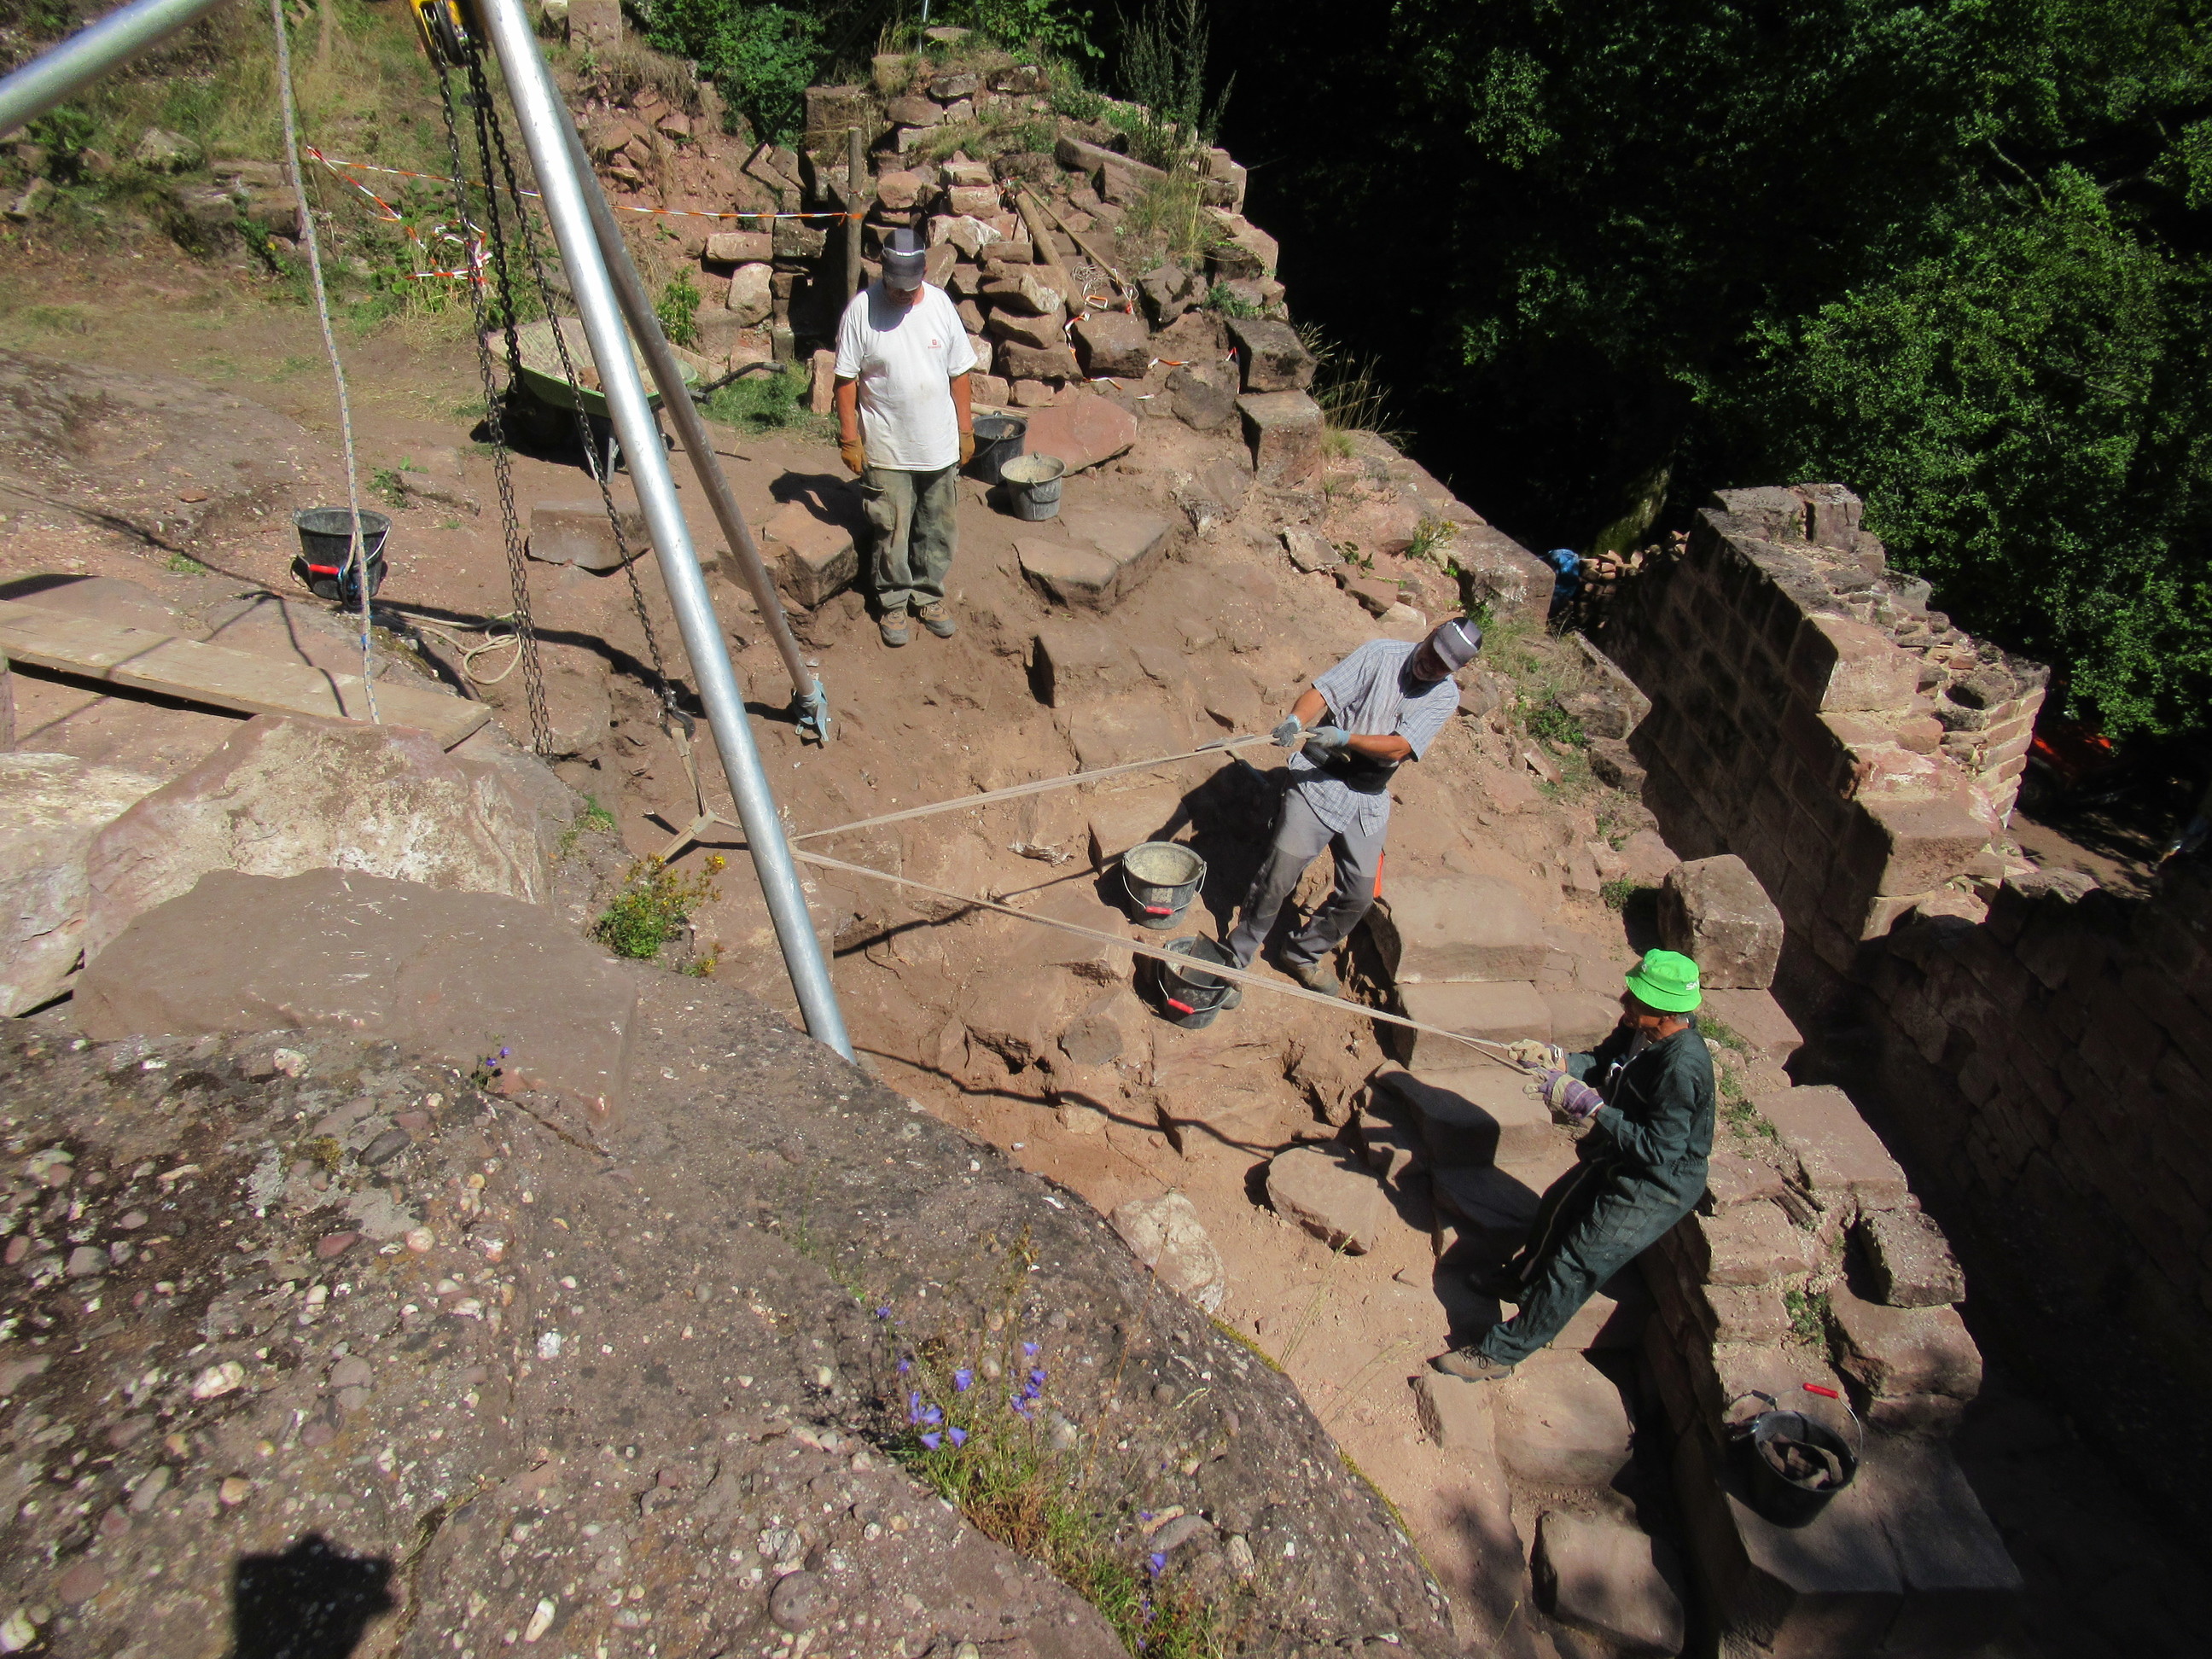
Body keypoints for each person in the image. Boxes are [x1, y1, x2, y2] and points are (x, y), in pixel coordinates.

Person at [1431, 948, 1715, 1382]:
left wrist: (1593, 1109)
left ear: (1665, 1013)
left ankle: (1501, 1354)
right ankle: (1523, 1282)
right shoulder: (1639, 1029)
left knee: (1574, 1264)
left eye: (1637, 998)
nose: (1624, 1000)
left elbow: (1660, 1151)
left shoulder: (1680, 1067)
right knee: (1557, 1206)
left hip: (1658, 1184)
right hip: (1623, 1152)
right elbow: (1602, 1062)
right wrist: (1557, 1059)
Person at [1225, 617, 1483, 996]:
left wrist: (1346, 738)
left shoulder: (1445, 697)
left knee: (1359, 895)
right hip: (1318, 779)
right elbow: (1324, 692)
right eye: (1433, 652)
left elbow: (1399, 747)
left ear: (1455, 670)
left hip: (1367, 798)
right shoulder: (1381, 654)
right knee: (1279, 872)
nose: (1431, 664)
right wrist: (1296, 719)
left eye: (1443, 665)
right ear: (1430, 635)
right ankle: (1236, 956)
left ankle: (1301, 954)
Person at [833, 228, 976, 648]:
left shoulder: (941, 306)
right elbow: (845, 380)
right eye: (895, 284)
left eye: (910, 286)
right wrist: (849, 437)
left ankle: (928, 595)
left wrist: (965, 431)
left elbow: (959, 373)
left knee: (937, 526)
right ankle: (894, 601)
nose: (902, 293)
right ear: (883, 270)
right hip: (888, 446)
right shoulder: (862, 311)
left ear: (924, 272)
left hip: (938, 445)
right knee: (891, 529)